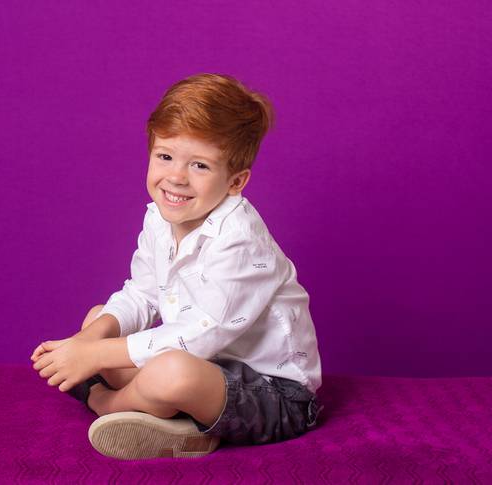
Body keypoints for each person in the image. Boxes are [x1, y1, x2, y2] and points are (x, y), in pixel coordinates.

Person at [30, 73, 323, 460]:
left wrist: (96, 358)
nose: (176, 177)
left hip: (274, 394)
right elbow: (142, 294)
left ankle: (107, 403)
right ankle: (174, 419)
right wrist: (89, 341)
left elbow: (202, 335)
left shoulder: (240, 239)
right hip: (205, 365)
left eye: (200, 165)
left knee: (171, 373)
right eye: (165, 156)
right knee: (98, 318)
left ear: (236, 181)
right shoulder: (159, 217)